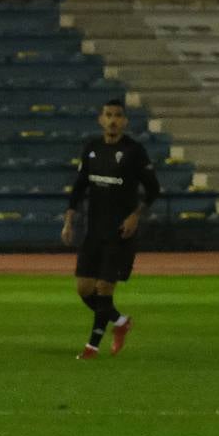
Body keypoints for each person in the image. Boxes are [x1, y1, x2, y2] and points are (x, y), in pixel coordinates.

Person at [61, 98, 160, 360]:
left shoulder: (134, 151)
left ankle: (91, 347)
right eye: (109, 115)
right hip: (94, 231)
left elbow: (153, 189)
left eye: (118, 115)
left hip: (120, 234)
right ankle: (120, 321)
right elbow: (80, 185)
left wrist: (135, 216)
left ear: (125, 121)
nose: (113, 120)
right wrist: (69, 219)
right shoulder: (92, 148)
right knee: (84, 289)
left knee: (105, 289)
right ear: (101, 119)